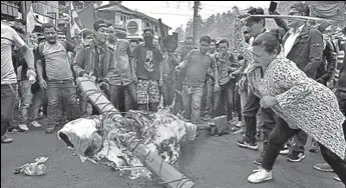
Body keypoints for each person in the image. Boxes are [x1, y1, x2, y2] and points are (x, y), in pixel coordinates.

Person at [246, 31, 346, 185]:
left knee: (330, 154)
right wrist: (238, 26)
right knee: (276, 139)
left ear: (273, 53)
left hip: (318, 108)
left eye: (258, 55)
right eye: (254, 54)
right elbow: (242, 49)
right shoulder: (258, 60)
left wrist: (275, 99)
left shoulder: (282, 67)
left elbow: (304, 86)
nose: (254, 57)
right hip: (293, 110)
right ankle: (265, 171)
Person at [235, 8, 284, 164]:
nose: (248, 28)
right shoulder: (252, 39)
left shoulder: (272, 38)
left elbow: (276, 62)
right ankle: (250, 139)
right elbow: (251, 60)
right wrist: (244, 75)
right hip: (256, 84)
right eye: (246, 25)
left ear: (261, 22)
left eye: (251, 24)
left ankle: (268, 154)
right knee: (248, 110)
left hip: (269, 84)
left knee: (268, 120)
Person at [35, 23, 80, 134]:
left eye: (52, 33)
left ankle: (75, 123)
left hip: (68, 80)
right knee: (53, 103)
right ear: (44, 35)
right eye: (47, 33)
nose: (50, 35)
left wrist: (68, 32)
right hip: (52, 81)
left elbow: (77, 49)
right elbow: (39, 63)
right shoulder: (41, 47)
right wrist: (41, 78)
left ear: (56, 33)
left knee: (72, 102)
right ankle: (52, 124)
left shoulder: (63, 44)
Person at [1, 22, 36, 141]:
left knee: (6, 118)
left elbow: (26, 50)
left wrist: (31, 69)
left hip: (7, 82)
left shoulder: (8, 31)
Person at [74, 20, 115, 115]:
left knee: (101, 115)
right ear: (95, 32)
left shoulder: (110, 50)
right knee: (84, 114)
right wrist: (83, 74)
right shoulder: (84, 47)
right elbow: (76, 65)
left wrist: (106, 80)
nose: (105, 34)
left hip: (102, 85)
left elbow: (112, 69)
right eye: (102, 31)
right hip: (87, 84)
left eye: (107, 32)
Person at [175, 35, 220, 124]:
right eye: (202, 45)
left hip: (199, 86)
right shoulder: (192, 53)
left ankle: (195, 125)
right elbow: (185, 62)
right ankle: (187, 122)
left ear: (209, 46)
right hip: (187, 84)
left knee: (196, 106)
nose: (204, 47)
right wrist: (179, 67)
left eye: (206, 46)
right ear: (199, 44)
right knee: (186, 105)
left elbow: (215, 70)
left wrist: (216, 83)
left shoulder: (210, 58)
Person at [132, 28, 163, 112]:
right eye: (146, 35)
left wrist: (160, 78)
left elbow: (160, 63)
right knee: (142, 102)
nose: (147, 37)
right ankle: (143, 120)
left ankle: (153, 120)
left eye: (149, 35)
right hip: (142, 77)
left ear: (153, 36)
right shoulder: (139, 47)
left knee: (154, 101)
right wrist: (133, 74)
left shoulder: (156, 49)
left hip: (154, 78)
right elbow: (133, 59)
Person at [213, 39, 238, 123]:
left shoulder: (231, 56)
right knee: (217, 103)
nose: (222, 49)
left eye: (224, 47)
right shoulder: (214, 57)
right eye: (220, 47)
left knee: (230, 102)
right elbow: (209, 69)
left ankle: (229, 119)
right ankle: (217, 121)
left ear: (227, 47)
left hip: (228, 82)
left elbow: (238, 67)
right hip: (217, 81)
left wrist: (230, 69)